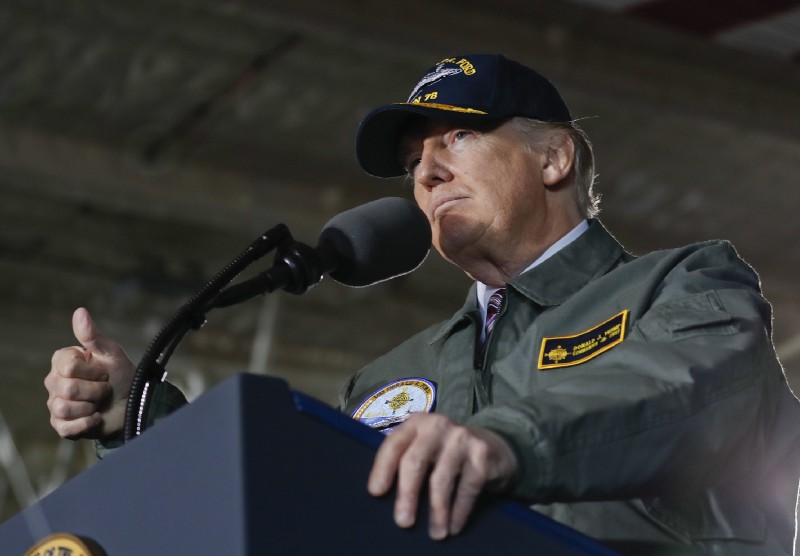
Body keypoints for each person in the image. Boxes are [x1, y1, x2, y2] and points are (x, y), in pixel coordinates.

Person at [45, 54, 800, 555]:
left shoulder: (688, 286)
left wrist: (506, 442)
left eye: (457, 139)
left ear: (554, 157)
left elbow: (674, 395)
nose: (427, 173)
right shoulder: (395, 372)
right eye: (412, 162)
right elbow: (303, 511)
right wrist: (139, 417)